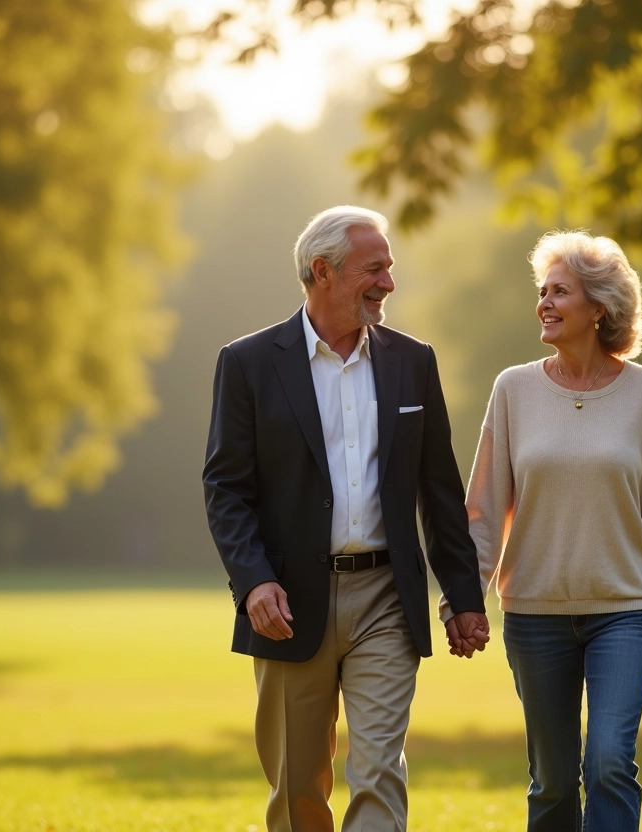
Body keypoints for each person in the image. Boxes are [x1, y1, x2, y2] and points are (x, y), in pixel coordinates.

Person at [203, 205, 490, 832]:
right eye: (375, 268)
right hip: (288, 604)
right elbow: (225, 487)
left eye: (390, 267)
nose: (389, 282)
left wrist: (463, 596)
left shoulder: (413, 361)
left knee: (380, 770)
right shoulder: (249, 363)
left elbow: (440, 490)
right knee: (297, 786)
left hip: (387, 598)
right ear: (323, 271)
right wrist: (253, 581)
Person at [446, 230, 642, 832]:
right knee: (553, 781)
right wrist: (465, 598)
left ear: (599, 307)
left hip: (625, 609)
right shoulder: (513, 390)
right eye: (542, 291)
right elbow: (483, 508)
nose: (544, 304)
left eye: (560, 292)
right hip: (534, 612)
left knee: (610, 761)